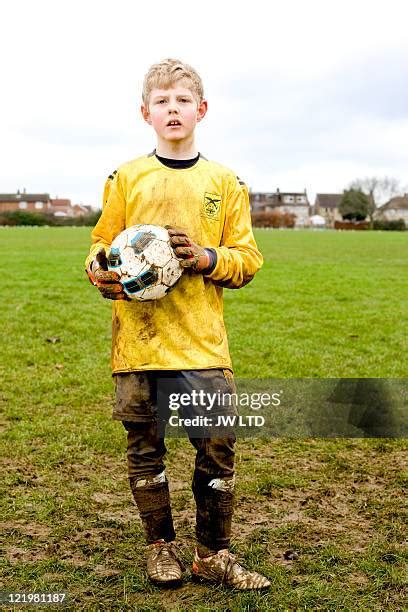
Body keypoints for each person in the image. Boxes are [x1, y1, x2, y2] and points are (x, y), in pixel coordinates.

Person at [85, 58, 270, 590]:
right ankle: (160, 548)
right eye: (162, 101)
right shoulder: (126, 177)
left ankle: (212, 554)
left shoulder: (225, 182)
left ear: (201, 110)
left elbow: (247, 258)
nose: (173, 109)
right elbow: (101, 245)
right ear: (146, 113)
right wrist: (100, 270)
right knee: (146, 448)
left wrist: (206, 259)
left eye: (183, 100)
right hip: (138, 343)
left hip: (201, 343)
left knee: (217, 444)